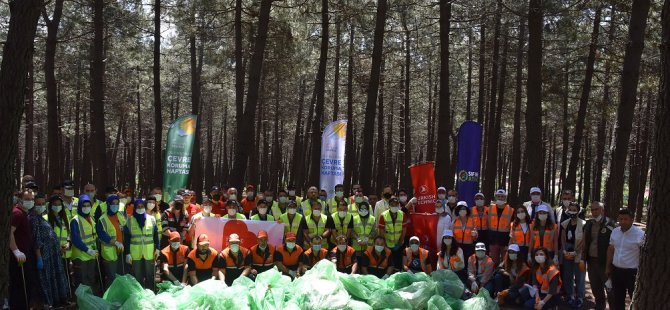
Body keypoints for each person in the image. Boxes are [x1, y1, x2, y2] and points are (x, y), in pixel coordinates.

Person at [30, 193, 69, 307]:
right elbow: (36, 240)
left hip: (53, 254)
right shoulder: (33, 219)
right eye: (38, 204)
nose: (41, 206)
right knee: (47, 280)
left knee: (55, 278)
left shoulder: (41, 217)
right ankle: (49, 303)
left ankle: (58, 300)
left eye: (42, 204)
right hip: (44, 255)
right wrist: (39, 257)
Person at [606, 208, 644, 310]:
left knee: (635, 299)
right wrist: (608, 267)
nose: (622, 221)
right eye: (620, 219)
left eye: (625, 219)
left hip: (632, 273)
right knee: (617, 299)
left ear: (632, 219)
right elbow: (611, 249)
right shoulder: (615, 231)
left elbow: (643, 254)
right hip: (616, 271)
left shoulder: (640, 234)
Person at [10, 190, 41, 309]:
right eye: (27, 199)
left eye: (32, 199)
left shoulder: (24, 213)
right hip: (19, 258)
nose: (30, 202)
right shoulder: (17, 213)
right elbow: (9, 233)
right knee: (20, 287)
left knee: (27, 285)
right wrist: (16, 251)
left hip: (25, 255)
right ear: (20, 199)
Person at [583, 201, 616, 310]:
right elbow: (584, 242)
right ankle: (599, 307)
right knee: (596, 288)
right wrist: (583, 258)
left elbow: (615, 245)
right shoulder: (589, 224)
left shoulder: (611, 224)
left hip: (605, 262)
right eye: (592, 209)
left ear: (602, 210)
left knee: (610, 288)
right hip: (591, 261)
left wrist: (610, 264)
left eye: (596, 209)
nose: (594, 211)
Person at [123, 199, 160, 289]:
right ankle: (138, 294)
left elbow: (156, 235)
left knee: (150, 275)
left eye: (142, 206)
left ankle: (151, 292)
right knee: (137, 275)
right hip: (135, 253)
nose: (140, 208)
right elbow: (126, 239)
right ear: (134, 208)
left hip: (149, 252)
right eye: (138, 207)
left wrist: (158, 248)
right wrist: (127, 253)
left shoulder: (151, 218)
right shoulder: (129, 220)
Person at [70, 194, 101, 293]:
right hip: (81, 256)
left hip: (91, 255)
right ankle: (82, 302)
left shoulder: (91, 218)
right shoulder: (75, 220)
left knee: (91, 278)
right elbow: (75, 239)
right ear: (79, 206)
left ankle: (90, 301)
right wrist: (88, 250)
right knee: (82, 280)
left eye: (88, 205)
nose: (86, 208)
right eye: (84, 205)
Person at [96, 194, 126, 289]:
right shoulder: (102, 219)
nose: (115, 206)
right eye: (113, 203)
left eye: (117, 203)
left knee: (120, 275)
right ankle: (109, 299)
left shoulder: (120, 215)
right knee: (111, 276)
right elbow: (101, 234)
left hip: (121, 250)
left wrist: (124, 229)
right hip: (110, 251)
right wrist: (115, 242)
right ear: (108, 204)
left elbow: (126, 228)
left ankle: (119, 295)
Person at [560, 202, 586, 308]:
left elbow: (584, 240)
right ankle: (570, 295)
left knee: (580, 276)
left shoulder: (584, 224)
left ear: (578, 211)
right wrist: (564, 250)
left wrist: (577, 251)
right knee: (568, 275)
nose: (572, 212)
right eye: (570, 209)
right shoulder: (565, 223)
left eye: (574, 210)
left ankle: (580, 297)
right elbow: (562, 237)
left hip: (579, 253)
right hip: (567, 251)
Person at [378, 197, 409, 270]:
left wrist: (401, 241)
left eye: (396, 205)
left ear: (398, 205)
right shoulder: (383, 215)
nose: (394, 206)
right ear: (389, 205)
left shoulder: (402, 214)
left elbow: (404, 229)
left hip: (399, 243)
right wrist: (384, 243)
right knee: (389, 261)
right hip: (387, 243)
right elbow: (381, 230)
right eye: (392, 204)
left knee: (398, 262)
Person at [488, 189, 513, 266]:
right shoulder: (489, 209)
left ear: (505, 197)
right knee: (493, 261)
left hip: (505, 239)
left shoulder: (511, 210)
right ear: (495, 197)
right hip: (493, 239)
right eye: (498, 196)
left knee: (505, 260)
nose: (500, 198)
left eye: (502, 196)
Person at [453, 202, 478, 268]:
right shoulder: (454, 221)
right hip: (458, 246)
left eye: (464, 209)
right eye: (460, 209)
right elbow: (452, 235)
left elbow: (475, 238)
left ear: (467, 210)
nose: (462, 211)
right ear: (458, 211)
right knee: (458, 263)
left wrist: (475, 235)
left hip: (469, 247)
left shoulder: (472, 221)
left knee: (468, 263)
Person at [48, 193, 72, 262]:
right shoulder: (46, 218)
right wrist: (57, 248)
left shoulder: (65, 218)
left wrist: (69, 243)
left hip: (65, 253)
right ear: (50, 205)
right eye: (55, 204)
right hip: (53, 254)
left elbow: (69, 232)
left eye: (59, 204)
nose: (57, 206)